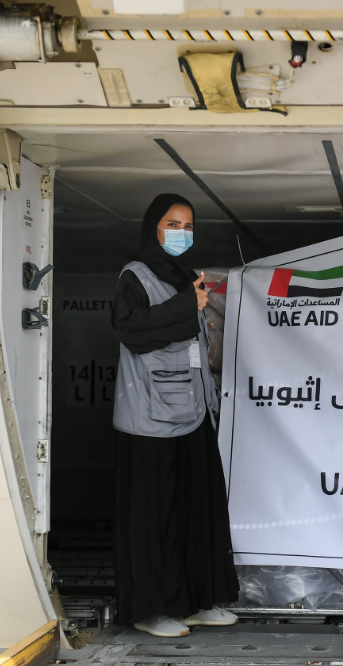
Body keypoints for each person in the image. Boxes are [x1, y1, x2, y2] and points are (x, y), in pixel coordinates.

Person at [111, 193, 240, 638]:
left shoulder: (186, 276)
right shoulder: (135, 276)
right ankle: (151, 610)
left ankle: (197, 602)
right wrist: (188, 305)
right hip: (150, 417)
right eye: (172, 224)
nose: (181, 233)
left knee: (198, 508)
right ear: (153, 227)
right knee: (155, 515)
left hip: (194, 408)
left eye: (187, 226)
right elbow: (130, 330)